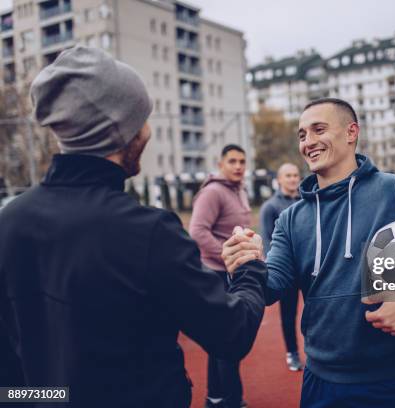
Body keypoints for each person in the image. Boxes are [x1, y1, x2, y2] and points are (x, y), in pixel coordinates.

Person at [0, 46, 267, 408]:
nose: (148, 129)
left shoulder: (10, 222)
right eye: (142, 118)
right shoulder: (148, 232)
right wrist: (249, 268)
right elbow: (232, 334)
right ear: (124, 131)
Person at [223, 98, 395, 408]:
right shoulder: (290, 219)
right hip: (320, 382)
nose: (308, 142)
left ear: (351, 133)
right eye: (302, 134)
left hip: (393, 380)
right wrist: (247, 263)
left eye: (319, 129)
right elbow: (271, 287)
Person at [189, 144, 252, 408]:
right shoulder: (213, 192)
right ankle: (232, 400)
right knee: (229, 340)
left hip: (232, 272)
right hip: (216, 274)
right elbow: (197, 231)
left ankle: (215, 398)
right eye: (232, 161)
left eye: (242, 161)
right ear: (221, 164)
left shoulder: (240, 190)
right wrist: (228, 255)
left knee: (220, 341)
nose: (238, 166)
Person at [259, 163, 303, 371]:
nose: (293, 179)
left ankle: (315, 350)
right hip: (287, 272)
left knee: (317, 309)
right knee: (289, 315)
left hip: (309, 268)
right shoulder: (270, 207)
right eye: (288, 176)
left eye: (295, 175)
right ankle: (292, 353)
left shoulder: (306, 200)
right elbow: (267, 241)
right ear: (279, 179)